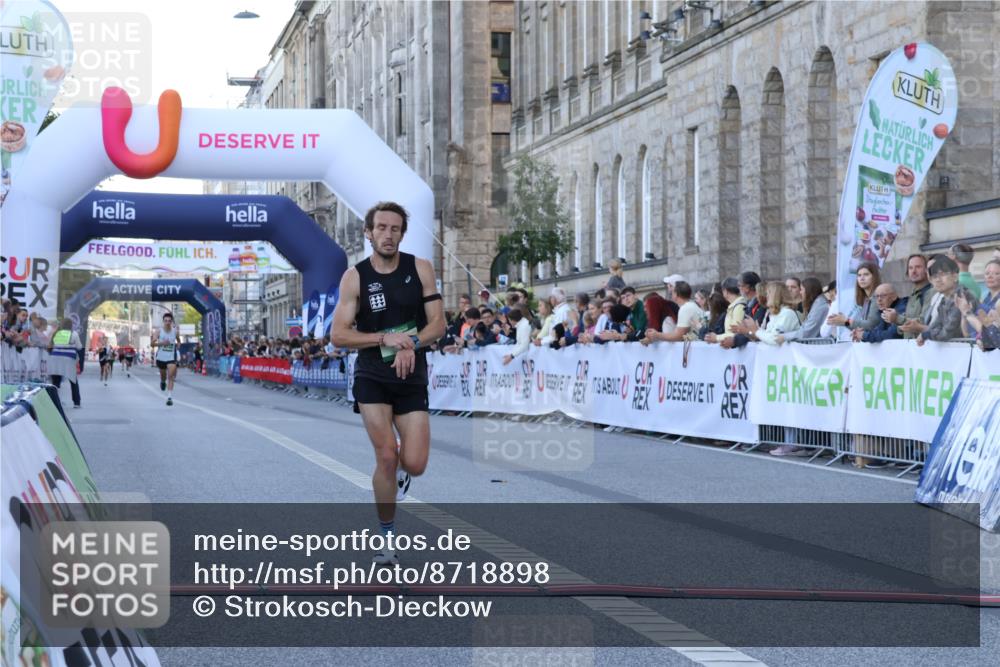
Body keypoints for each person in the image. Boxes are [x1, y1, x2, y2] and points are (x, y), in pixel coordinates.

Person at [331, 201, 445, 567]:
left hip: (411, 375)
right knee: (385, 455)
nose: (388, 234)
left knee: (415, 463)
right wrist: (383, 339)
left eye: (395, 229)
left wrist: (410, 342)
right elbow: (339, 335)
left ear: (402, 233)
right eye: (381, 228)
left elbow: (438, 326)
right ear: (369, 232)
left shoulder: (420, 269)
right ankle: (387, 539)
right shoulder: (355, 276)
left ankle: (400, 471)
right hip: (372, 376)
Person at [918, 255, 974, 345]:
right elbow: (935, 326)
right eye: (934, 276)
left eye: (942, 274)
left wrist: (926, 335)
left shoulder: (962, 296)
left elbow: (946, 333)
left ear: (955, 276)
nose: (938, 280)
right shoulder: (944, 299)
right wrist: (928, 333)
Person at [886, 254, 933, 339]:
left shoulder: (931, 292)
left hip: (925, 347)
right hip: (912, 348)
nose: (913, 271)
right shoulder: (913, 294)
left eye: (918, 267)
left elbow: (923, 322)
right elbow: (909, 322)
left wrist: (897, 318)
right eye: (910, 268)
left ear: (927, 270)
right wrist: (899, 326)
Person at [957, 259, 1000, 349]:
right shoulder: (984, 299)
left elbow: (994, 333)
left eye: (996, 273)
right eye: (987, 273)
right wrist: (964, 313)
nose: (990, 276)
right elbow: (967, 333)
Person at [826, 262, 881, 333]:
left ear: (874, 277)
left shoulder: (878, 296)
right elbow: (863, 327)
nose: (862, 278)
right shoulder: (866, 298)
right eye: (859, 275)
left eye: (866, 274)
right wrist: (843, 321)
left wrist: (846, 321)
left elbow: (870, 325)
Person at [48, 318, 83, 408]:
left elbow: (51, 344)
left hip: (55, 358)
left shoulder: (56, 333)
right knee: (73, 381)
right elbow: (79, 347)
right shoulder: (74, 334)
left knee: (56, 382)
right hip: (68, 359)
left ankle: (53, 401)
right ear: (71, 325)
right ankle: (76, 402)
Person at [708, 277, 746, 346]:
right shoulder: (733, 306)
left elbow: (736, 332)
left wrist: (716, 337)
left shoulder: (738, 307)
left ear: (726, 291)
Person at [152, 313, 180, 406]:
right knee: (163, 376)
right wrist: (162, 343)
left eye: (169, 321)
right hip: (161, 357)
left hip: (171, 357)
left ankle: (169, 397)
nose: (167, 322)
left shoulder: (175, 331)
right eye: (166, 321)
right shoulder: (159, 331)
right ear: (163, 322)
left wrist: (178, 346)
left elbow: (178, 340)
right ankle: (162, 381)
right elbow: (152, 344)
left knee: (171, 376)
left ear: (171, 322)